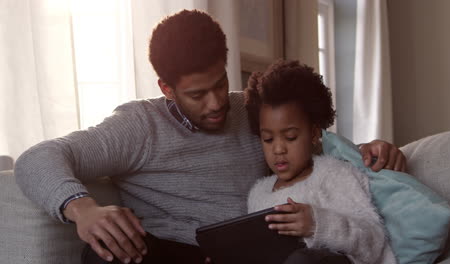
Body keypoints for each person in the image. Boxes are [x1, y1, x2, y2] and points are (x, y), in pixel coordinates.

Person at [14, 10, 406, 264]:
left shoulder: (247, 106)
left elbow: (308, 144)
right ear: (167, 88)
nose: (217, 103)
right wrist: (83, 210)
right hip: (172, 254)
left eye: (221, 82)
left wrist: (370, 150)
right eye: (197, 95)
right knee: (101, 256)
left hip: (253, 253)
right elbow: (38, 157)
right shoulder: (138, 126)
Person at [245, 60, 396, 264]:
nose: (278, 149)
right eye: (268, 139)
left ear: (314, 133)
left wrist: (317, 223)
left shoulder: (333, 174)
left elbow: (373, 241)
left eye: (290, 137)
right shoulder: (258, 194)